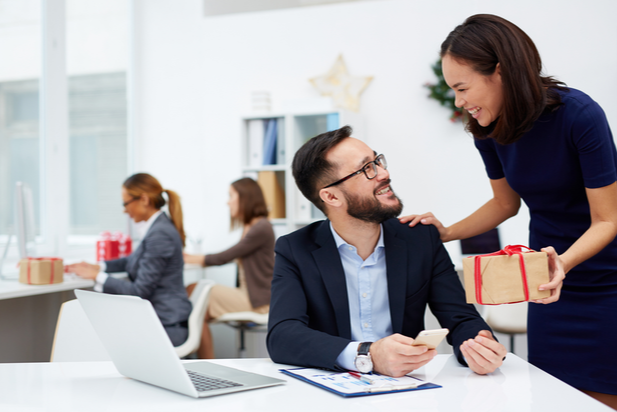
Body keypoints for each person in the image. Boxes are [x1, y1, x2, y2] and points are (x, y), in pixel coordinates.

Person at [400, 14, 617, 408]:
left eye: (462, 87)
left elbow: (608, 220)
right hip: (549, 290)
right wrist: (446, 232)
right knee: (552, 397)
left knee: (602, 399)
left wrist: (564, 263)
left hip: (605, 284)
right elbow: (505, 203)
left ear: (499, 72)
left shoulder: (579, 116)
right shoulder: (488, 129)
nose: (459, 101)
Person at [267, 126, 507, 377]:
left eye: (378, 161)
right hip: (331, 388)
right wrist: (366, 355)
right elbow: (282, 336)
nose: (384, 173)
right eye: (366, 169)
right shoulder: (295, 249)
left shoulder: (420, 239)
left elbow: (461, 319)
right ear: (331, 196)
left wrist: (477, 344)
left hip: (408, 387)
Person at [66, 173, 192, 347]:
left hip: (166, 326)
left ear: (144, 200)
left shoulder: (160, 234)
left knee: (92, 338)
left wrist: (97, 276)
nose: (124, 210)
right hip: (159, 322)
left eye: (126, 203)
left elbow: (139, 291)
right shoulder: (156, 228)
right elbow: (131, 261)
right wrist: (98, 266)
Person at [184, 177, 275, 359]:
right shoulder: (250, 227)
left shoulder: (261, 227)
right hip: (249, 296)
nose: (228, 201)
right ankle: (204, 363)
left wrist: (186, 257)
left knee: (194, 292)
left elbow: (224, 257)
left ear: (245, 198)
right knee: (196, 307)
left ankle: (205, 363)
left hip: (259, 302)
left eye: (231, 195)